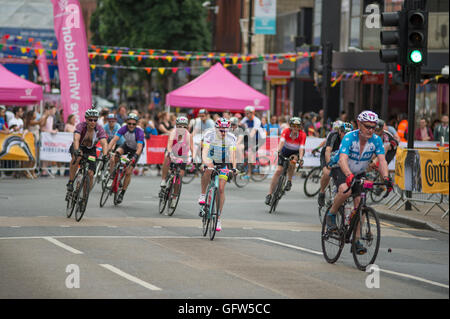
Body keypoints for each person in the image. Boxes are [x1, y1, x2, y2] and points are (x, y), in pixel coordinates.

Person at [325, 111, 392, 255]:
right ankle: (331, 214)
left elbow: (382, 160)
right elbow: (342, 159)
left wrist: (386, 178)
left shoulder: (376, 140)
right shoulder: (349, 137)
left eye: (373, 127)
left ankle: (356, 241)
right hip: (341, 169)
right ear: (359, 124)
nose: (370, 130)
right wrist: (348, 175)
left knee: (360, 204)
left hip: (359, 171)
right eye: (367, 126)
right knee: (345, 190)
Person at [198, 118, 238, 232]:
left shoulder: (231, 138)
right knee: (208, 170)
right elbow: (205, 151)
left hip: (223, 162)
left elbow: (232, 154)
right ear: (216, 129)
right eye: (221, 130)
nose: (224, 133)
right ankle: (202, 194)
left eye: (226, 130)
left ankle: (218, 217)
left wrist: (234, 167)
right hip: (210, 158)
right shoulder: (209, 135)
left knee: (221, 188)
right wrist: (205, 163)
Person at [66, 109, 109, 205]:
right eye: (90, 120)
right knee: (77, 158)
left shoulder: (99, 129)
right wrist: (76, 150)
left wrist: (105, 155)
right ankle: (71, 181)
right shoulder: (81, 126)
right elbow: (76, 139)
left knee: (90, 173)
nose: (93, 122)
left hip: (90, 150)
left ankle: (84, 197)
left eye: (95, 120)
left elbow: (104, 143)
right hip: (79, 146)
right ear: (86, 119)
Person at [265, 117, 305, 205]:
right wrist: (278, 151)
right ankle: (269, 194)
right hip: (285, 151)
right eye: (293, 126)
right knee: (278, 170)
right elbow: (281, 142)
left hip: (295, 152)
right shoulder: (286, 131)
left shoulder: (302, 135)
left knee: (293, 161)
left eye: (297, 126)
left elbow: (301, 148)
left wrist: (301, 158)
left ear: (300, 127)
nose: (295, 128)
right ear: (290, 126)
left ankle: (289, 181)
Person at [107, 113, 145, 203]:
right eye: (129, 123)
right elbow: (114, 140)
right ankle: (113, 175)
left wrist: (135, 157)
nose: (131, 125)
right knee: (115, 156)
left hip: (136, 150)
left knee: (128, 172)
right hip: (127, 146)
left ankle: (122, 193)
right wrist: (108, 150)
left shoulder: (139, 132)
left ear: (136, 124)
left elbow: (139, 147)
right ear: (127, 123)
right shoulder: (123, 128)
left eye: (133, 124)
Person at [317, 122, 354, 207]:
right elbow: (328, 151)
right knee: (327, 173)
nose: (346, 135)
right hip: (329, 155)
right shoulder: (333, 135)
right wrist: (329, 163)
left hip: (341, 157)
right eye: (344, 133)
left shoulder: (352, 139)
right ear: (340, 132)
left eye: (348, 133)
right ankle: (322, 192)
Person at [159, 116, 194, 206]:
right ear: (176, 126)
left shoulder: (188, 135)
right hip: (172, 152)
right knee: (167, 156)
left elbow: (192, 149)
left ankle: (174, 197)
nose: (182, 128)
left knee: (179, 177)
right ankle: (163, 180)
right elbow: (169, 146)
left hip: (183, 154)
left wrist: (193, 159)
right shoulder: (173, 133)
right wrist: (171, 154)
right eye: (179, 126)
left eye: (184, 126)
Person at [240, 106, 266, 176]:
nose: (246, 115)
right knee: (243, 149)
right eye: (245, 113)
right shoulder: (246, 118)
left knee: (251, 153)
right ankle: (246, 165)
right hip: (253, 139)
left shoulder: (257, 120)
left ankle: (249, 173)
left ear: (252, 113)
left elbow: (252, 133)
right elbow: (239, 125)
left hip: (260, 139)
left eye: (247, 113)